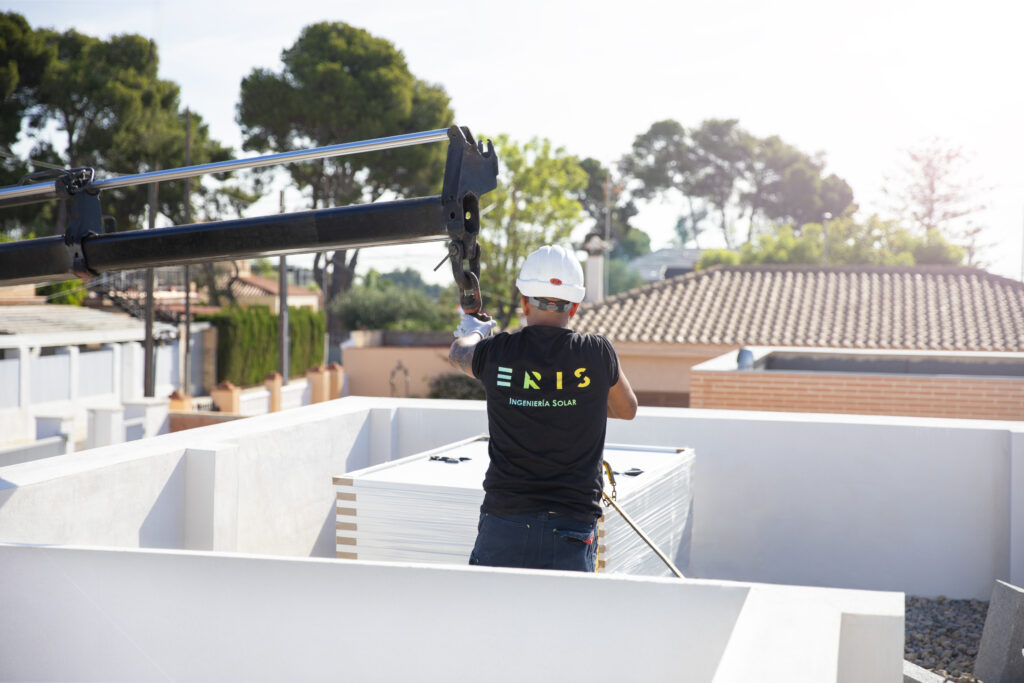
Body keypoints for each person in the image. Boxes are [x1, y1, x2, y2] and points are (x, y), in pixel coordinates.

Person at [448, 244, 638, 572]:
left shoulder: (498, 353)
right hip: (572, 527)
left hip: (504, 522)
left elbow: (458, 353)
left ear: (523, 302)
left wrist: (477, 332)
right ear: (575, 307)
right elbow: (627, 408)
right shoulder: (596, 353)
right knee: (563, 623)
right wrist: (576, 402)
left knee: (492, 622)